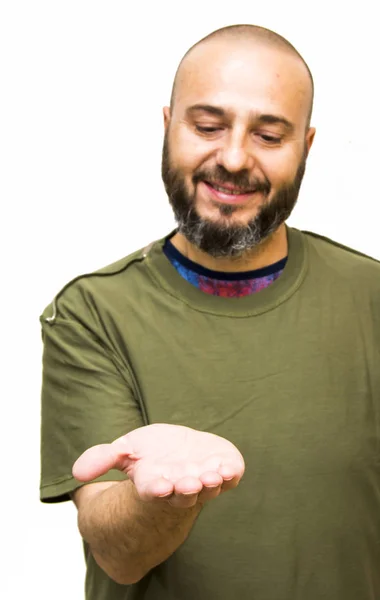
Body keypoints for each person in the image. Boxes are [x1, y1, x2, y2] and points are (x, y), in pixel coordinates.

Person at [39, 23, 380, 600]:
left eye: (270, 136)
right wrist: (160, 498)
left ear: (307, 145)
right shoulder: (91, 314)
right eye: (207, 126)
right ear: (168, 124)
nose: (233, 158)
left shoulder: (371, 298)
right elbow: (118, 556)